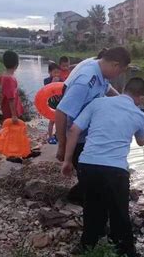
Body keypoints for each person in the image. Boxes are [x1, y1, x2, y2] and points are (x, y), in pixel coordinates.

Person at [61, 77, 144, 257]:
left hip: (88, 165)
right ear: (140, 97)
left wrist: (67, 160)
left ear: (124, 89)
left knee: (92, 207)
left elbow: (74, 130)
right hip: (115, 170)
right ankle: (125, 254)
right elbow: (142, 141)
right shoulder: (140, 115)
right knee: (119, 214)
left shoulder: (98, 103)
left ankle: (88, 247)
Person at [55, 47, 131, 202]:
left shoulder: (101, 71)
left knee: (95, 178)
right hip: (76, 139)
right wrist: (62, 146)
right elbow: (61, 112)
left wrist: (126, 103)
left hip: (88, 135)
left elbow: (108, 89)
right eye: (121, 71)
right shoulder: (85, 81)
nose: (119, 75)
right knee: (92, 180)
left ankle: (82, 200)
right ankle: (76, 201)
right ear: (115, 65)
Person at [0, 50, 23, 124]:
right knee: (11, 125)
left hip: (5, 105)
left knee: (7, 123)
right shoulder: (10, 79)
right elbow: (11, 99)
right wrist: (14, 115)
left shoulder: (5, 75)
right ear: (16, 64)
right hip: (10, 109)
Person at [44, 62, 61, 144]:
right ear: (50, 72)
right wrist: (52, 83)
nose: (57, 74)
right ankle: (50, 137)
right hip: (52, 104)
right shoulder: (46, 80)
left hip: (59, 104)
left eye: (58, 72)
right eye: (55, 72)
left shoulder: (61, 80)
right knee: (52, 121)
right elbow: (45, 91)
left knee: (59, 121)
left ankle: (57, 135)